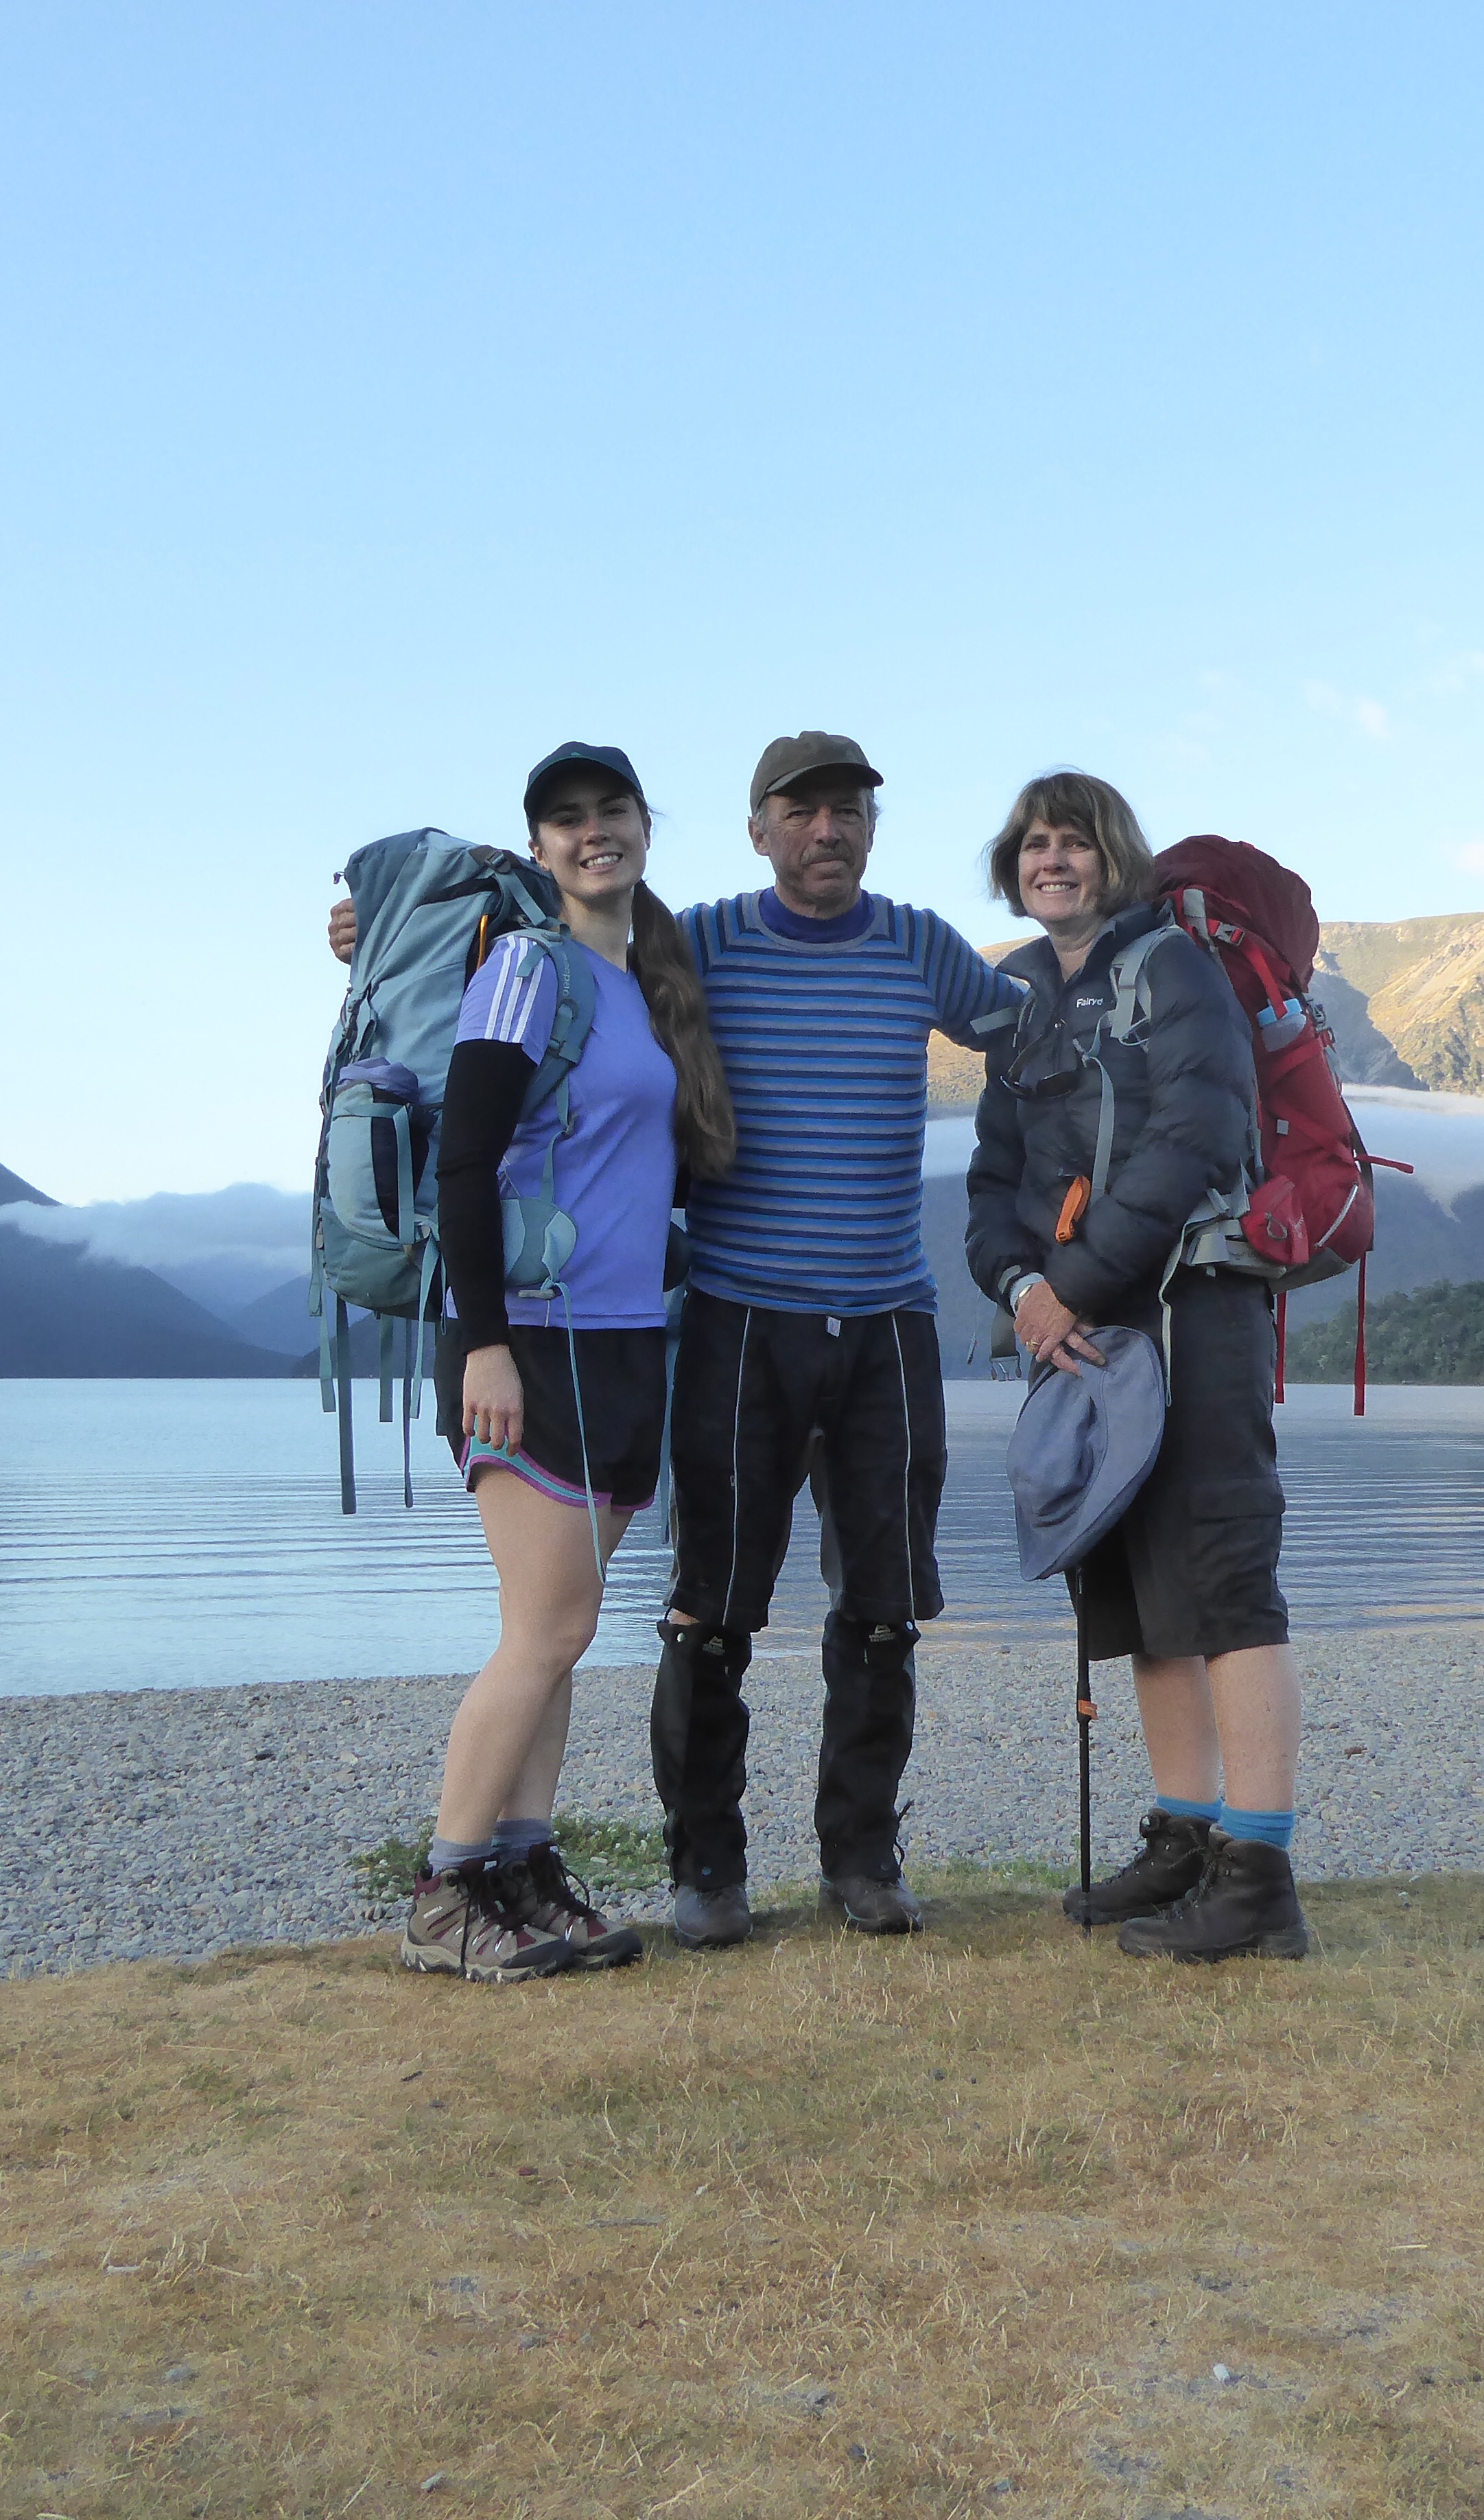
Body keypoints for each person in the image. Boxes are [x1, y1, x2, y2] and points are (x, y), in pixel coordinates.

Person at [338, 733, 1023, 1948]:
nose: (826, 830)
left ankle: (849, 1863)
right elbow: (525, 949)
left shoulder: (903, 947)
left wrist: (1128, 960)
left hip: (858, 1324)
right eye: (799, 811)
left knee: (875, 1611)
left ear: (874, 825)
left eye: (848, 810)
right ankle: (689, 1869)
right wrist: (378, 926)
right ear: (756, 830)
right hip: (714, 1321)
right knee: (695, 1612)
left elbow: (1035, 1032)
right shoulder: (675, 944)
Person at [399, 741, 737, 1982]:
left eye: (613, 811)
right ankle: (445, 1892)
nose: (595, 832)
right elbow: (462, 1162)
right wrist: (483, 1340)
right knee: (544, 1630)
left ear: (646, 824)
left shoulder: (649, 982)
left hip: (623, 1344)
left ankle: (523, 1867)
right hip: (529, 1345)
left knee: (562, 1629)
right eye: (568, 820)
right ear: (541, 849)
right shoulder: (523, 972)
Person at [964, 771, 1312, 1961]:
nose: (1051, 860)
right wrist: (1021, 1289)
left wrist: (1072, 1283)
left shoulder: (1176, 970)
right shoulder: (1020, 999)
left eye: (1074, 841)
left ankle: (1259, 1877)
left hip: (1194, 1307)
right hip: (1080, 1324)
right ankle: (1184, 1838)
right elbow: (990, 1180)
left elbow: (1197, 1135)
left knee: (1223, 1578)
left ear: (1114, 856)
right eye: (1033, 843)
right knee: (1138, 1591)